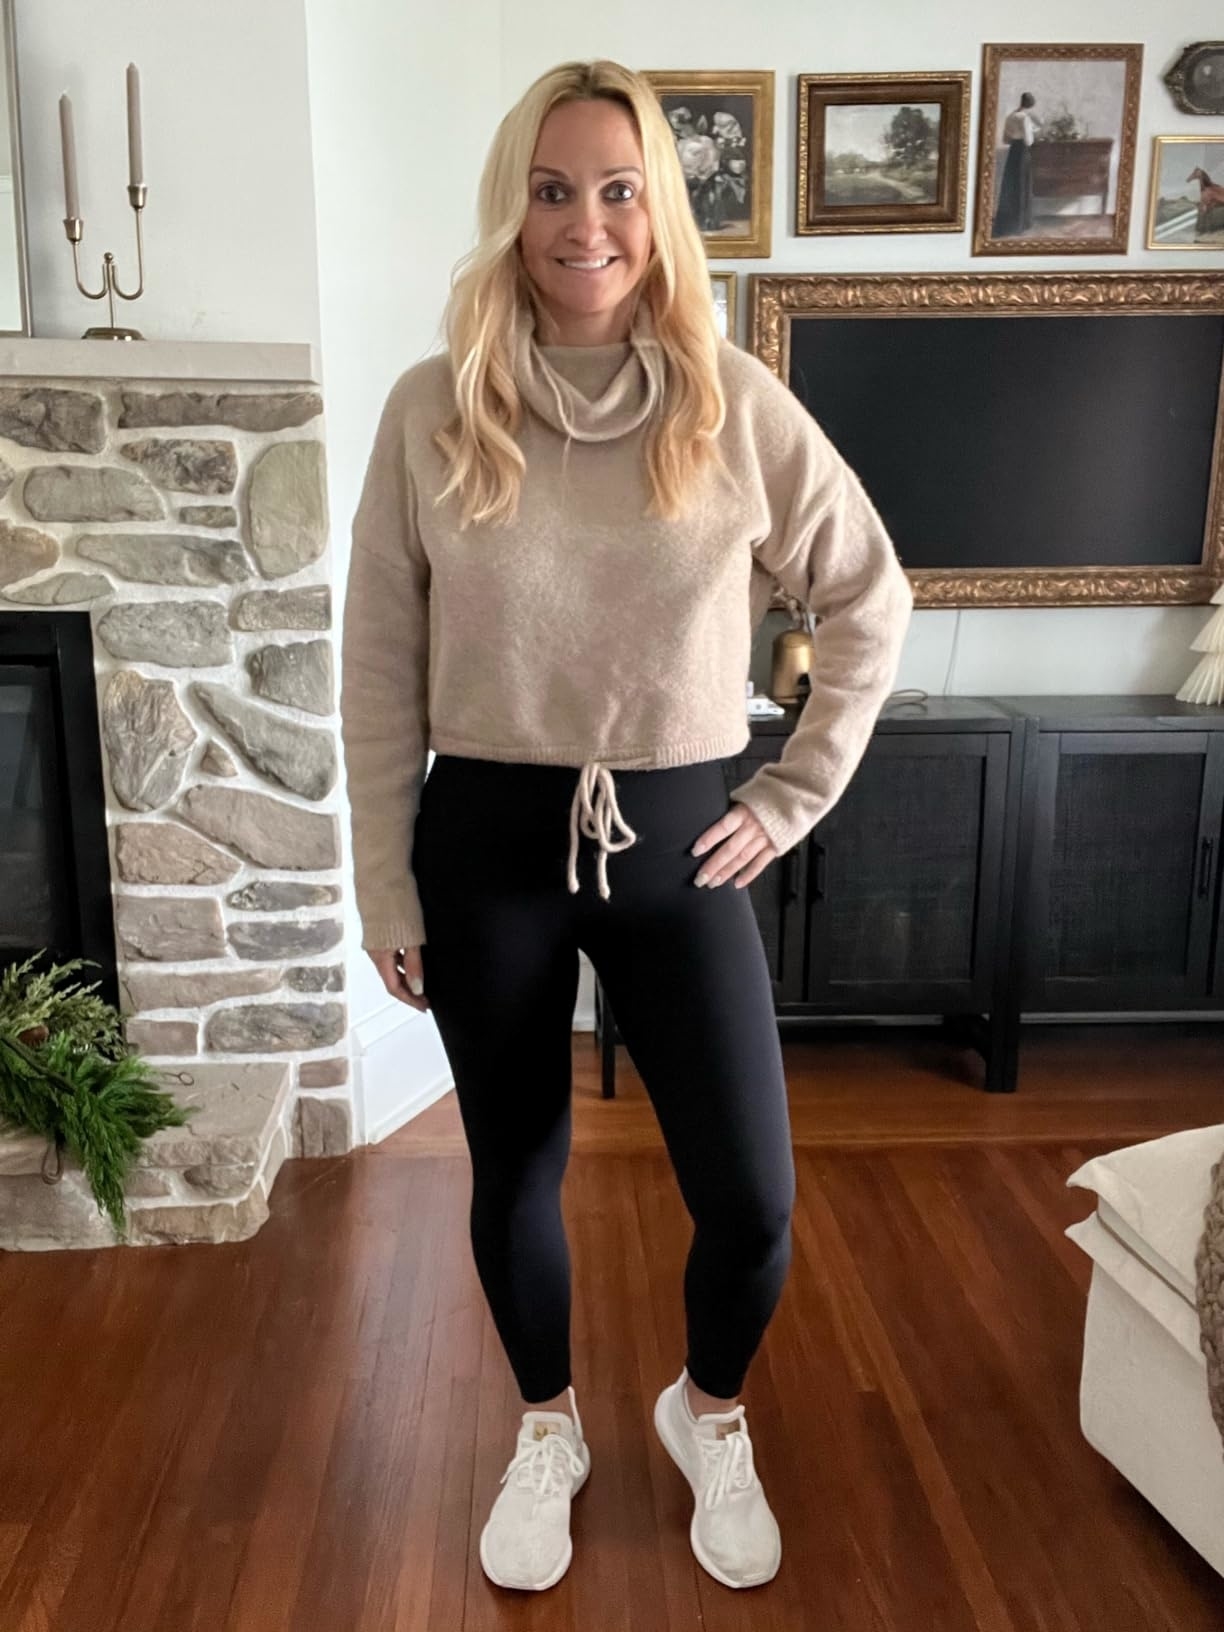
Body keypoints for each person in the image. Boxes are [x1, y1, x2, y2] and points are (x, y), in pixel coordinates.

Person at [339, 58, 913, 1595]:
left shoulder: (733, 405)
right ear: (511, 208)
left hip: (675, 839)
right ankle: (547, 1428)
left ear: (657, 211)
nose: (581, 224)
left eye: (615, 190)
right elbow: (379, 666)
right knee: (514, 1170)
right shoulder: (431, 410)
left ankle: (703, 1410)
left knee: (753, 1198)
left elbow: (869, 596)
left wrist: (793, 794)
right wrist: (384, 877)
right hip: (487, 842)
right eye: (549, 189)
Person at [993, 90, 1038, 237]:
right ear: (1030, 105)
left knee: (1012, 185)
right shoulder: (1024, 118)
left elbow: (1005, 140)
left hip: (1013, 152)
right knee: (1022, 184)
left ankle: (1008, 223)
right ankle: (1021, 224)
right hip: (1023, 152)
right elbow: (1029, 141)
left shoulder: (1010, 116)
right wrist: (1033, 130)